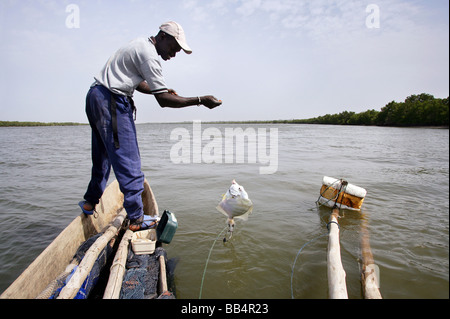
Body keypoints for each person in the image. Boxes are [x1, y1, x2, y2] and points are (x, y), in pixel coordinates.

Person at [79, 21, 222, 231]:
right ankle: (136, 219)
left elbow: (137, 83)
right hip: (112, 101)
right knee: (129, 159)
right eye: (174, 48)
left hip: (96, 95)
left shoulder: (139, 44)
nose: (174, 54)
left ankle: (90, 202)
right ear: (163, 37)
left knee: (102, 155)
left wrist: (160, 88)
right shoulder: (149, 55)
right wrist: (201, 100)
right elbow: (163, 101)